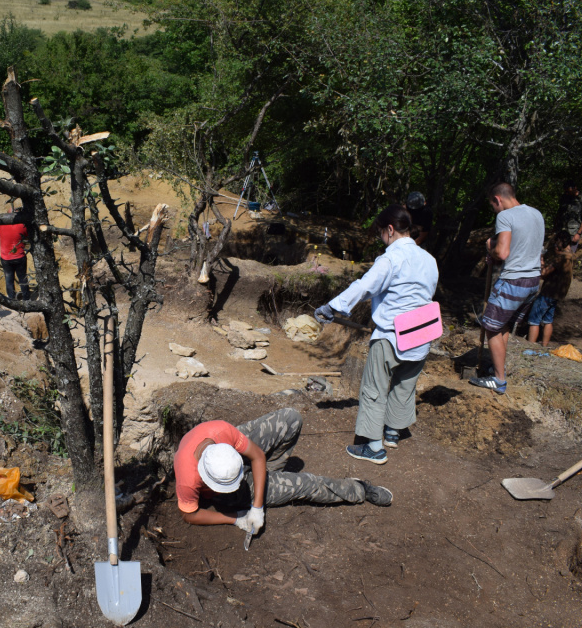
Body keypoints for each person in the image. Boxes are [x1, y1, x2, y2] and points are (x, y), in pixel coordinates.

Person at [315, 205, 439, 464]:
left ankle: (373, 447)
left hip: (391, 335)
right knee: (404, 385)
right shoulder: (429, 259)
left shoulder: (390, 259)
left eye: (382, 232)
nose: (382, 237)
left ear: (390, 229)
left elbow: (364, 287)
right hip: (422, 332)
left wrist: (332, 307)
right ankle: (392, 432)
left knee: (374, 388)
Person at [174, 408, 392, 536]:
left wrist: (257, 507)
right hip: (228, 496)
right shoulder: (188, 478)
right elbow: (189, 515)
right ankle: (359, 489)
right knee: (306, 485)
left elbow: (257, 456)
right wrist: (235, 518)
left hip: (234, 462)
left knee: (291, 418)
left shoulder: (220, 431)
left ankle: (272, 478)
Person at [469, 183, 544, 394]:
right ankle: (497, 368)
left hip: (513, 280)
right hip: (533, 281)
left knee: (491, 327)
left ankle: (499, 380)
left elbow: (502, 253)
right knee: (503, 326)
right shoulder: (536, 214)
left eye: (493, 205)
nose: (494, 210)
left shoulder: (505, 216)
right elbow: (525, 245)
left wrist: (490, 249)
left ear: (497, 199)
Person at [527, 232, 574, 348]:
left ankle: (529, 347)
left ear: (560, 242)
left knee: (534, 320)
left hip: (548, 292)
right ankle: (544, 346)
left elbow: (543, 274)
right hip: (557, 294)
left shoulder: (561, 258)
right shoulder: (571, 256)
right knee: (548, 320)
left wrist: (541, 259)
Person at [0, 207, 31, 300]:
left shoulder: (1, 225)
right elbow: (29, 238)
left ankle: (11, 299)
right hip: (20, 257)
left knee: (9, 279)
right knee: (23, 278)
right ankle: (27, 299)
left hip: (6, 259)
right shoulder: (23, 225)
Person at [555, 180, 582, 253]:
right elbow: (560, 213)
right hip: (562, 231)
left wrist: (578, 233)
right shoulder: (564, 198)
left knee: (569, 255)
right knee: (558, 254)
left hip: (573, 232)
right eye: (566, 191)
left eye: (569, 191)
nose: (567, 193)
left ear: (575, 188)